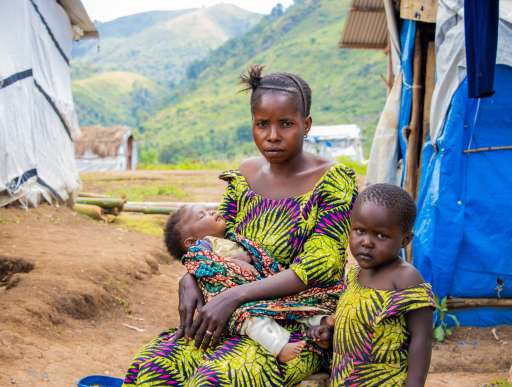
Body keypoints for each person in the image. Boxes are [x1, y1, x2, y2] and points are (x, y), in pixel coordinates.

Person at [123, 65, 357, 386]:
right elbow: (217, 242)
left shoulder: (332, 183)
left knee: (214, 380)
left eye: (286, 124)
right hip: (233, 316)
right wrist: (191, 276)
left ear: (306, 125)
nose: (272, 136)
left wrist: (233, 296)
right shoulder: (244, 177)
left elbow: (317, 267)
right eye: (262, 124)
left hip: (298, 325)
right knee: (152, 368)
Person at [164, 204, 336, 363]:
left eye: (209, 210)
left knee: (291, 301)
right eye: (203, 215)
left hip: (256, 288)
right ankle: (279, 346)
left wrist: (252, 258)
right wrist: (233, 264)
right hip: (229, 299)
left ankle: (320, 321)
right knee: (252, 320)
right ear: (191, 242)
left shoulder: (230, 238)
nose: (214, 211)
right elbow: (205, 264)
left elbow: (255, 254)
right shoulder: (202, 247)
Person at [308, 184, 435, 386]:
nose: (366, 242)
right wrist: (330, 336)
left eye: (381, 235)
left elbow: (422, 339)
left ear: (405, 240)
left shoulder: (405, 278)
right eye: (359, 231)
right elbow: (358, 326)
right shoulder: (354, 275)